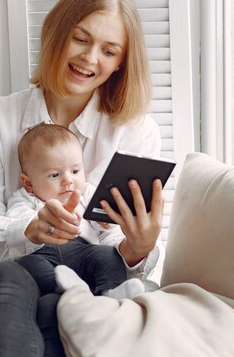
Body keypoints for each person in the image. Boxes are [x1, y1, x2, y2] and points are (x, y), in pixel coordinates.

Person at [0, 0, 163, 357]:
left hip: (95, 293)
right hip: (19, 292)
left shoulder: (136, 131)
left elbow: (121, 243)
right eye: (80, 39)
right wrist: (27, 231)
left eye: (109, 50)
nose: (89, 59)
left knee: (66, 306)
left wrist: (140, 247)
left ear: (122, 62)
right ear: (55, 35)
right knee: (12, 277)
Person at [11, 123, 158, 299]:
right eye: (54, 175)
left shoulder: (86, 193)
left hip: (84, 251)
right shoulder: (23, 199)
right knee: (26, 265)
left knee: (107, 255)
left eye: (75, 171)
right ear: (28, 183)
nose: (68, 181)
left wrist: (106, 223)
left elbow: (103, 223)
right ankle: (67, 290)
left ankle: (113, 291)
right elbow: (18, 225)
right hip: (43, 255)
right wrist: (35, 225)